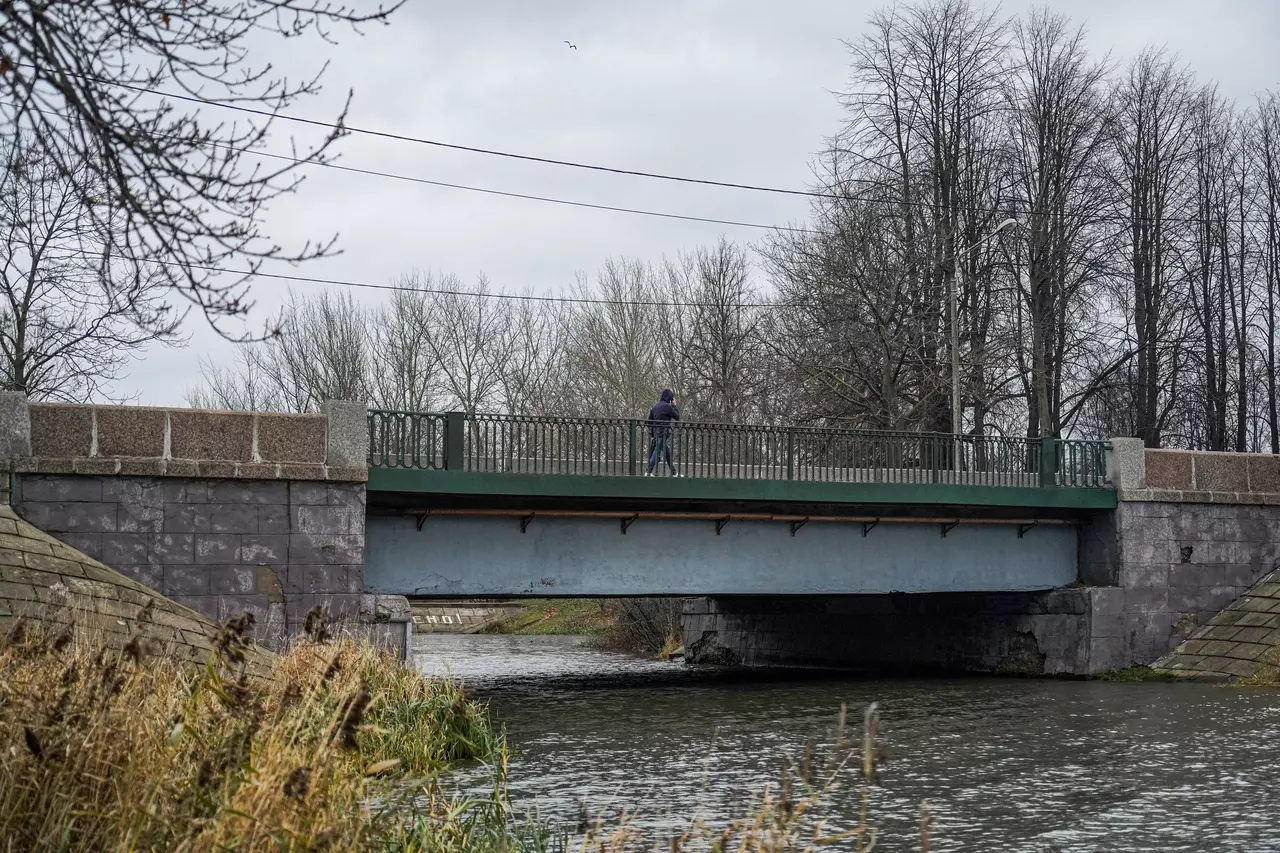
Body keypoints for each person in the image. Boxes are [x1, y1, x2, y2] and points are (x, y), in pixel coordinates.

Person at [645, 389, 681, 477]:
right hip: (663, 433)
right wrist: (674, 406)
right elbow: (677, 416)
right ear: (670, 398)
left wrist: (653, 434)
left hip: (657, 433)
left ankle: (674, 473)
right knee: (657, 452)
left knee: (667, 453)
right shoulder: (667, 407)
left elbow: (649, 422)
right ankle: (648, 471)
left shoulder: (655, 406)